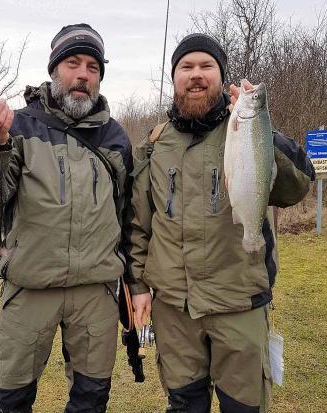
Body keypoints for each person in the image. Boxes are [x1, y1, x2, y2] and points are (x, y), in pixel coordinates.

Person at [127, 33, 315, 413]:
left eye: (206, 66)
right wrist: (138, 283)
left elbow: (298, 185)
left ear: (221, 75)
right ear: (174, 78)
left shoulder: (246, 131)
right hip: (175, 310)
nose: (196, 75)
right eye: (186, 67)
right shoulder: (153, 146)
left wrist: (260, 126)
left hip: (239, 303)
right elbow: (138, 225)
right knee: (184, 405)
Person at [0, 23, 133, 413]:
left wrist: (136, 284)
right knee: (13, 399)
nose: (83, 75)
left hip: (96, 293)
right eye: (72, 63)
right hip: (30, 287)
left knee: (91, 399)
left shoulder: (116, 138)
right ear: (54, 70)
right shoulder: (16, 126)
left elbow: (129, 216)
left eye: (93, 67)